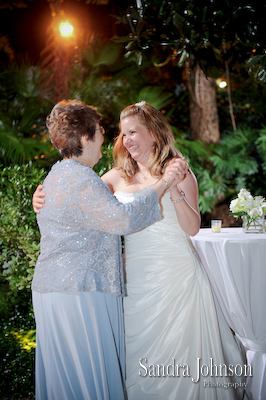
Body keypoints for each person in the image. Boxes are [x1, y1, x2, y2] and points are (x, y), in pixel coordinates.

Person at [33, 101, 245, 400]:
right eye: (122, 133)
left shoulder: (179, 172)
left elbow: (192, 227)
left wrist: (172, 189)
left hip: (178, 277)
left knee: (184, 355)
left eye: (133, 132)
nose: (126, 139)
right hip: (136, 282)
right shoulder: (116, 176)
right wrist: (39, 196)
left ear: (154, 134)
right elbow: (75, 196)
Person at [31, 99, 183, 400]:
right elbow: (123, 218)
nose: (106, 137)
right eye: (100, 130)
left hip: (53, 290)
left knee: (66, 380)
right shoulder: (83, 179)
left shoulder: (57, 174)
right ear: (86, 138)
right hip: (80, 292)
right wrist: (165, 182)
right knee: (89, 377)